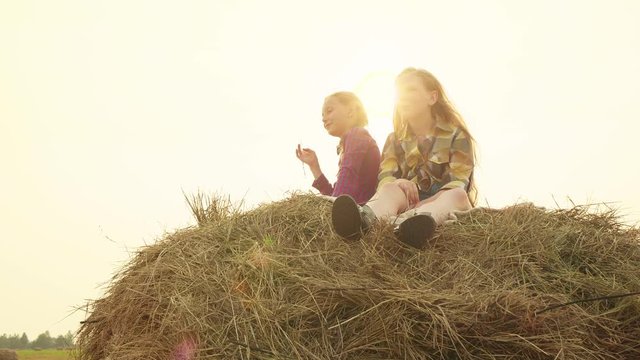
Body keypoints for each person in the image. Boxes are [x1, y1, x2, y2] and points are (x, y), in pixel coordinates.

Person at [331, 68, 477, 248]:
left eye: (411, 90)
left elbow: (457, 182)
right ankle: (363, 222)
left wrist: (420, 207)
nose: (402, 96)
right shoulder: (394, 140)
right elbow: (385, 178)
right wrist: (400, 182)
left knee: (458, 195)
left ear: (432, 97)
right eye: (399, 92)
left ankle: (412, 225)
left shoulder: (457, 136)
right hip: (405, 206)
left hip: (441, 206)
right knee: (390, 189)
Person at [296, 92, 381, 204]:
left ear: (350, 111)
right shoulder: (350, 142)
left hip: (361, 211)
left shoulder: (356, 135)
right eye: (322, 115)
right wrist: (314, 166)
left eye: (329, 111)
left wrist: (332, 211)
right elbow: (335, 195)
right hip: (353, 209)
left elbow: (347, 178)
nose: (324, 119)